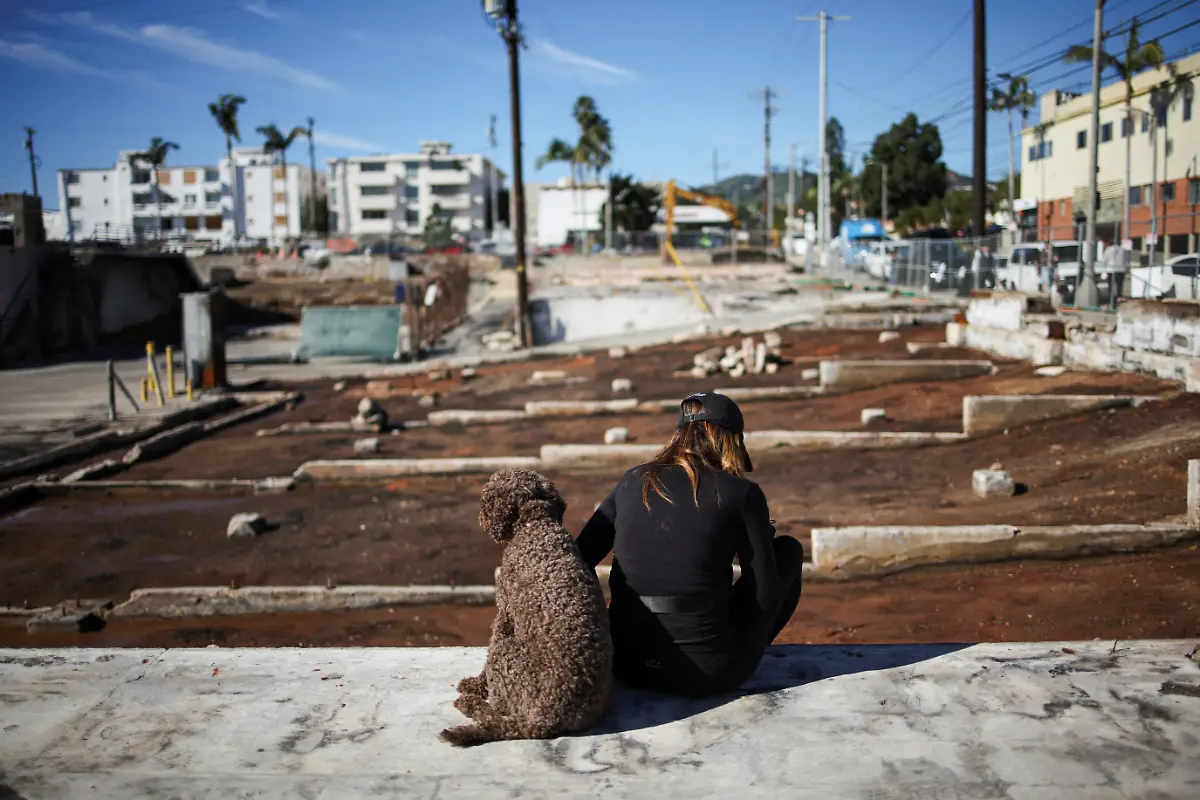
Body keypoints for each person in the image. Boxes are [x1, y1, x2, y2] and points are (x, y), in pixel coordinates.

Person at [575, 392, 805, 697]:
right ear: (731, 441)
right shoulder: (741, 494)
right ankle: (739, 653)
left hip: (624, 664)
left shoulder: (633, 480)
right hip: (707, 674)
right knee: (788, 551)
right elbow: (766, 592)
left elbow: (577, 559)